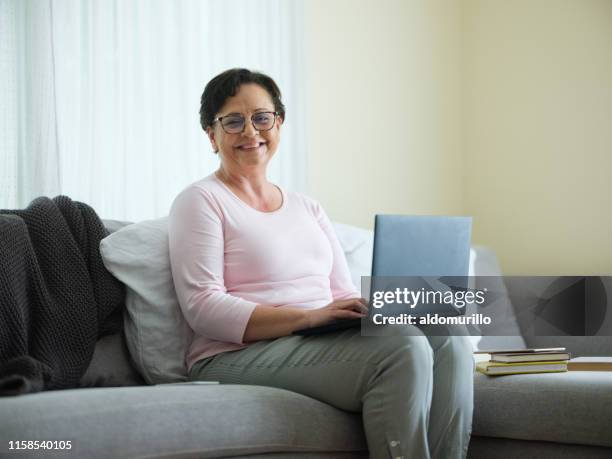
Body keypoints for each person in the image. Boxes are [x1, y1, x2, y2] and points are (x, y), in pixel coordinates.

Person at [168, 68, 474, 459]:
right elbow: (203, 309)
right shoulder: (201, 200)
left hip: (314, 339)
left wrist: (368, 311)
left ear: (279, 123)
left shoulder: (307, 207)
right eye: (233, 121)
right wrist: (307, 318)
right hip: (233, 354)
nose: (251, 131)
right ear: (211, 135)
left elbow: (342, 293)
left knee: (448, 333)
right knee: (403, 348)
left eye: (262, 117)